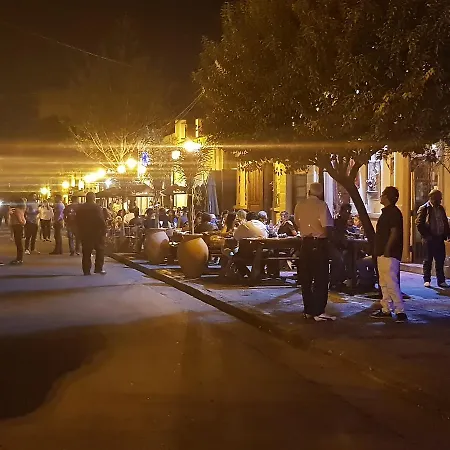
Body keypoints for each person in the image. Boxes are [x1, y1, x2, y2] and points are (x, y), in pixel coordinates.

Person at [294, 182, 334, 321]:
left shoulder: (300, 205)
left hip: (305, 243)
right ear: (320, 193)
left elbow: (297, 222)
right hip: (318, 244)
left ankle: (308, 310)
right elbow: (327, 226)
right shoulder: (321, 206)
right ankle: (318, 310)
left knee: (306, 279)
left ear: (309, 191)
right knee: (320, 278)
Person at [371, 186, 407, 322]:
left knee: (391, 282)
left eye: (382, 195)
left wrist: (387, 248)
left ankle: (400, 310)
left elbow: (394, 232)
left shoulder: (393, 213)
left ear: (386, 197)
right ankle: (386, 308)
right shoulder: (388, 212)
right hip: (382, 252)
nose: (380, 197)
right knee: (384, 282)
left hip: (389, 253)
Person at [416, 189, 450, 288]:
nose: (440, 200)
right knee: (428, 259)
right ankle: (427, 279)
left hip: (439, 237)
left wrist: (447, 234)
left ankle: (441, 280)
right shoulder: (424, 208)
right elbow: (419, 223)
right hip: (429, 238)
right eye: (438, 198)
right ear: (432, 198)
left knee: (440, 260)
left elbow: (444, 222)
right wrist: (426, 235)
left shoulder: (441, 209)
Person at [75, 192, 107, 275]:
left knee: (86, 252)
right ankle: (98, 268)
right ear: (94, 198)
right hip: (96, 232)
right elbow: (100, 220)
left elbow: (77, 220)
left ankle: (86, 270)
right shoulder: (97, 207)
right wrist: (104, 229)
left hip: (85, 233)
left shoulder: (80, 208)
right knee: (100, 250)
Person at [9, 198, 26, 265]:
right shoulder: (21, 209)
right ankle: (19, 258)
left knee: (18, 243)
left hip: (17, 226)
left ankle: (19, 259)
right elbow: (23, 220)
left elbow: (20, 219)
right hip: (19, 227)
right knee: (19, 243)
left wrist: (21, 222)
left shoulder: (16, 210)